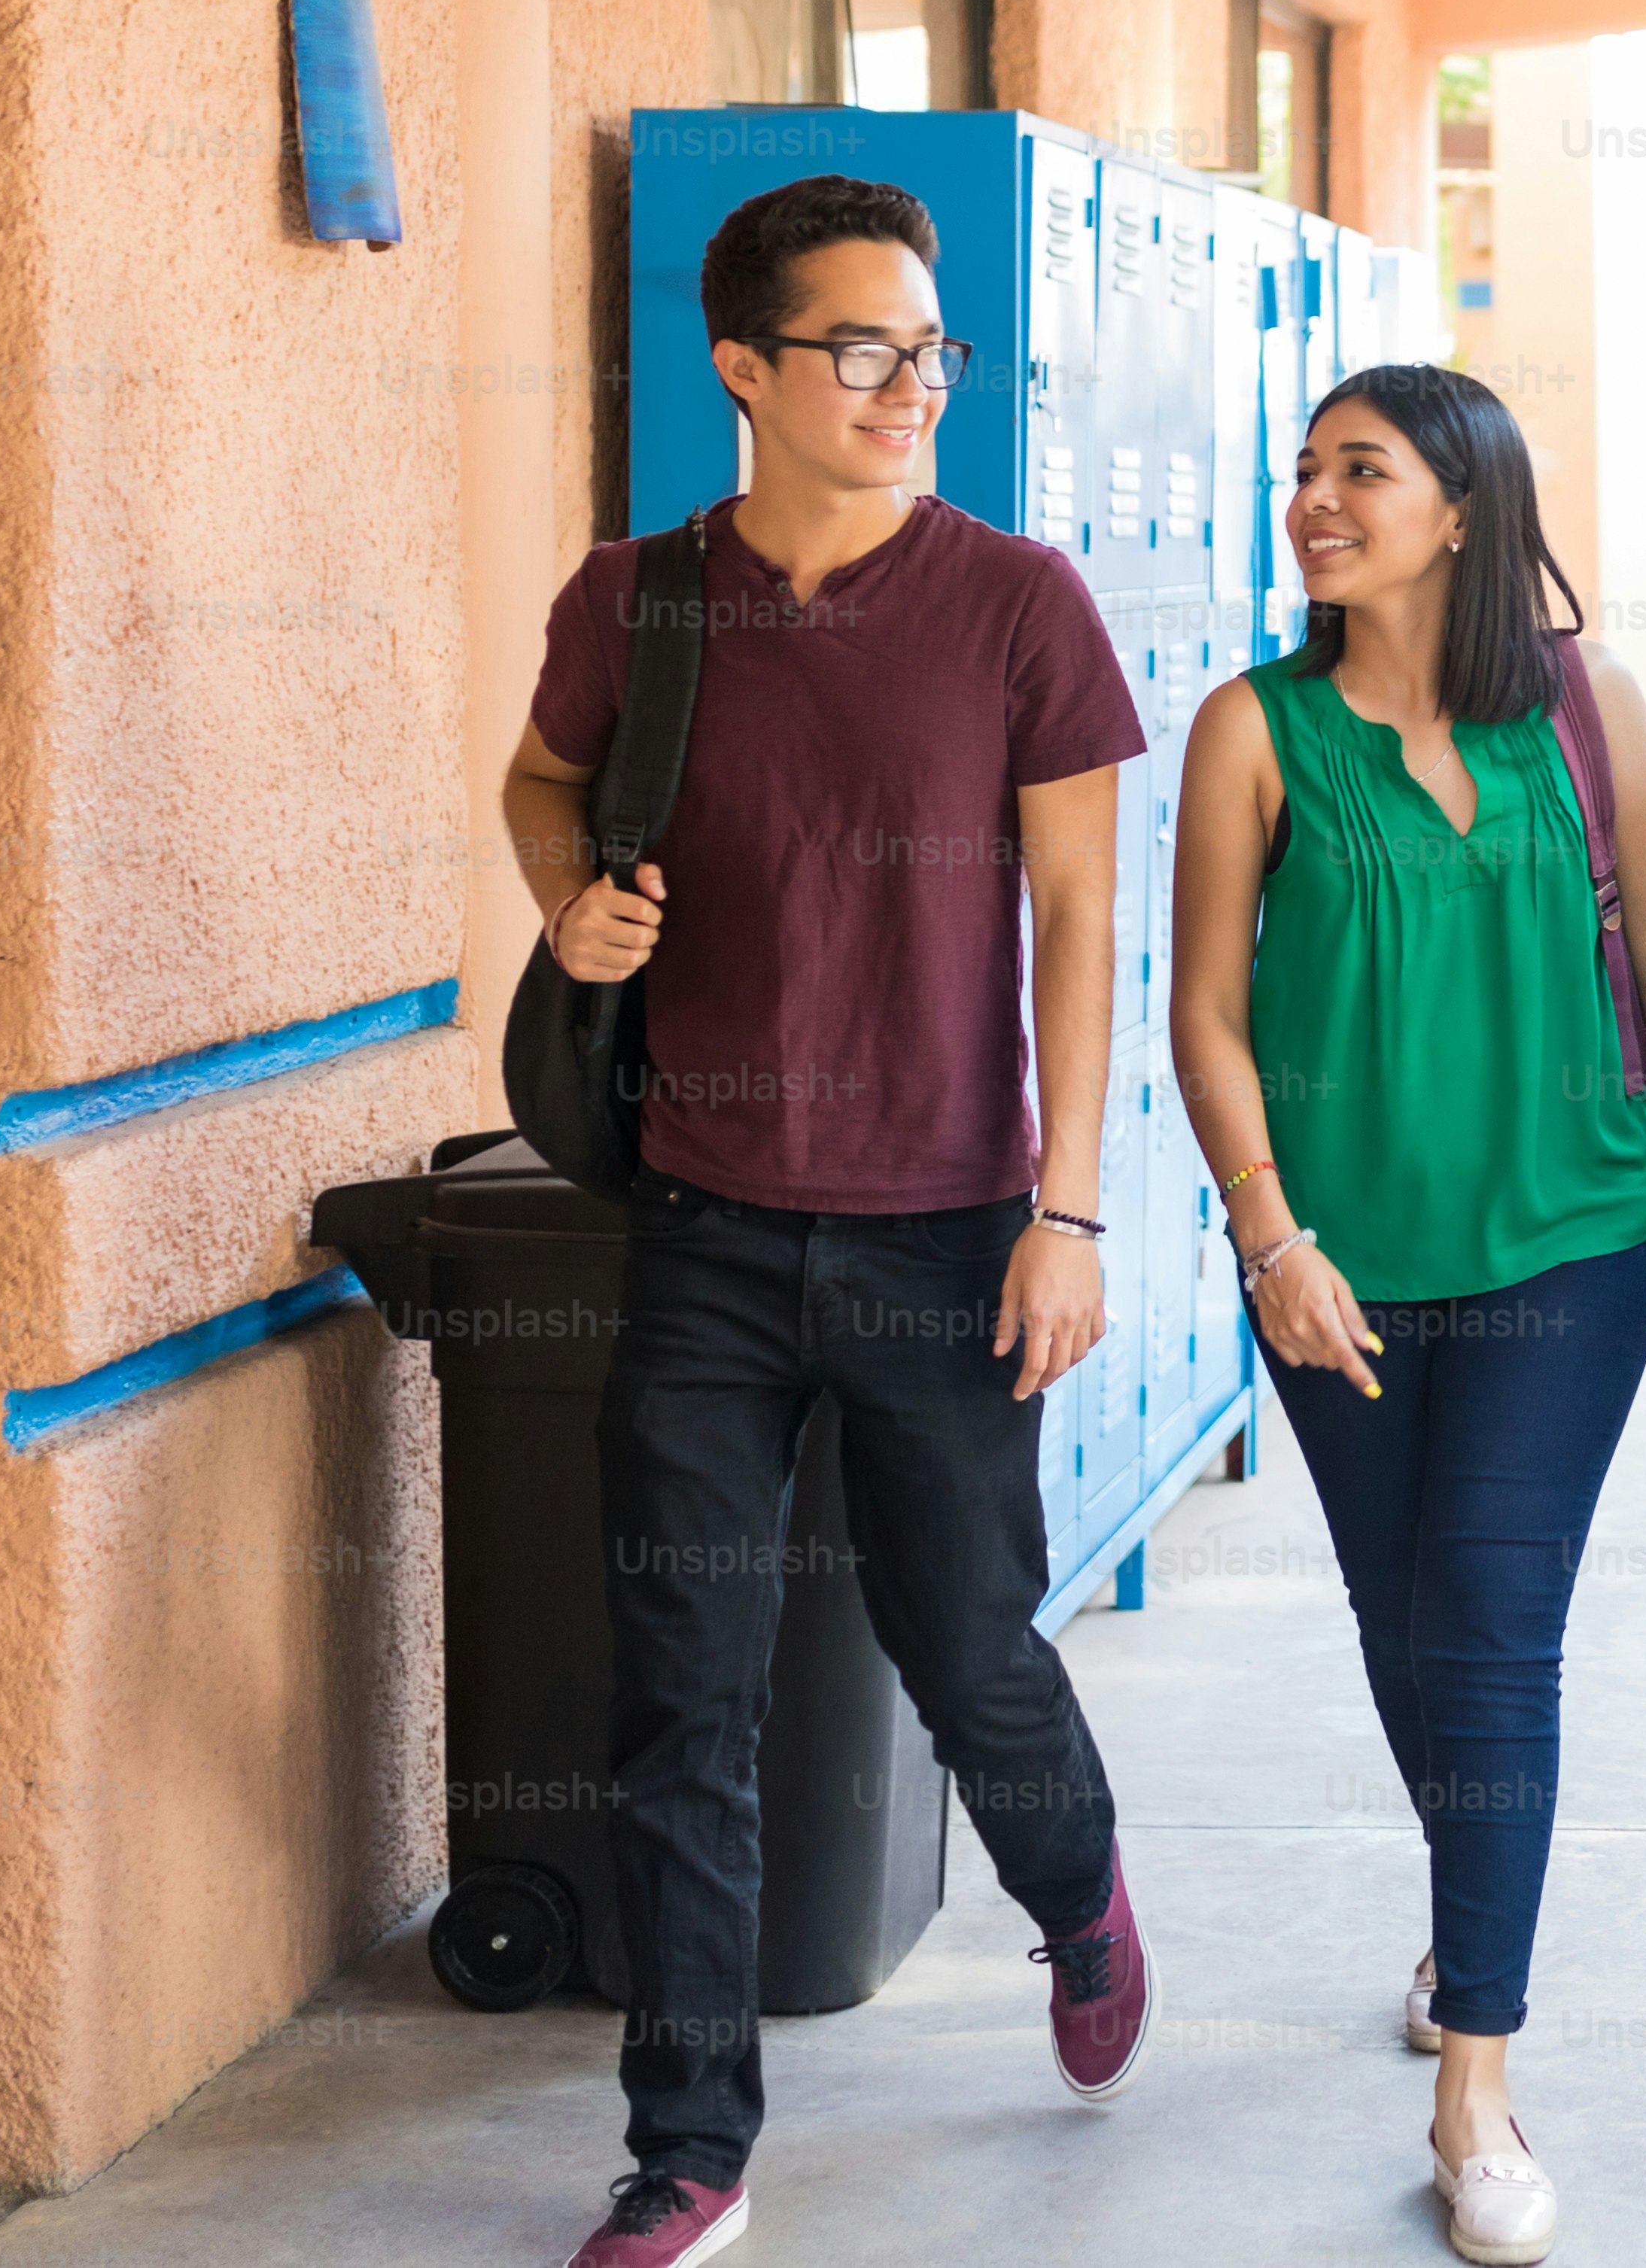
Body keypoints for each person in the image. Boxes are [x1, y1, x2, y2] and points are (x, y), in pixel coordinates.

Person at [507, 175, 1151, 2268]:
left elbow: (1079, 915)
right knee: (680, 1695)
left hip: (948, 1234)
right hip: (702, 1229)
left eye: (928, 348)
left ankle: (1075, 1889)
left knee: (967, 1654)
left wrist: (1069, 1209)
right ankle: (690, 2145)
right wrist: (570, 904)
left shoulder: (1018, 604)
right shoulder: (638, 601)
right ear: (744, 366)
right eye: (861, 348)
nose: (908, 385)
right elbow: (541, 781)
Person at [1169, 360, 1646, 2268]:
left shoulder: (1583, 704)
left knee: (1492, 1626)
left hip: (1573, 1233)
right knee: (1406, 1624)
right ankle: (1467, 1911)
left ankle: (1476, 2083)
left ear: (1465, 508)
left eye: (1364, 470)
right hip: (1338, 1267)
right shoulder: (1254, 729)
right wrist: (1269, 1237)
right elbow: (1205, 1008)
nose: (1316, 500)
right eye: (1306, 469)